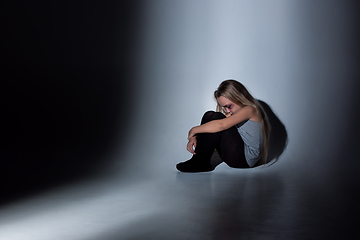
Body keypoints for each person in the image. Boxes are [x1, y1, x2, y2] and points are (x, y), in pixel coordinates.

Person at [176, 79, 270, 172]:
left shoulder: (250, 109)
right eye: (224, 107)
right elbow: (212, 125)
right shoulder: (235, 113)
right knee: (210, 115)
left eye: (229, 106)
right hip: (235, 154)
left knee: (217, 118)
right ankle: (197, 160)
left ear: (239, 98)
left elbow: (221, 125)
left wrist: (193, 130)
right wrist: (194, 136)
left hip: (246, 160)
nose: (227, 111)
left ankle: (202, 162)